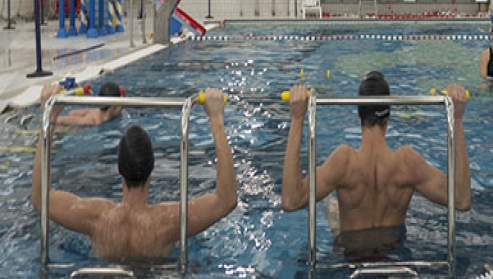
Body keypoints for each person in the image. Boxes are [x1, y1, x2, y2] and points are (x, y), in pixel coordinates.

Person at [31, 85, 238, 261]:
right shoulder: (168, 221)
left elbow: (41, 199)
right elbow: (226, 200)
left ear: (119, 170)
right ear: (151, 170)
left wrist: (50, 117)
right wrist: (216, 120)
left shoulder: (96, 217)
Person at [281, 72, 470, 248]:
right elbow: (461, 201)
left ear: (359, 115)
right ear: (388, 116)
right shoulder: (407, 163)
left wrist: (297, 119)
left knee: (330, 207)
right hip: (393, 254)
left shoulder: (344, 162)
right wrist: (458, 119)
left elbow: (291, 201)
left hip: (349, 258)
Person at [55, 81, 125, 126]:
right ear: (113, 108)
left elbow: (72, 112)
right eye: (120, 104)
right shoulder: (91, 121)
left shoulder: (97, 111)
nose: (122, 106)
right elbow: (59, 120)